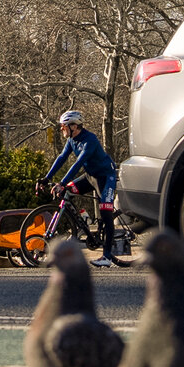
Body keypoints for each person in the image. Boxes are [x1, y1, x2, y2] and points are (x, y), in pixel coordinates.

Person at [40, 108, 120, 267]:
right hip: (91, 176)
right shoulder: (71, 140)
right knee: (67, 191)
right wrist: (46, 178)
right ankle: (84, 220)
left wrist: (61, 182)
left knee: (105, 212)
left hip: (106, 177)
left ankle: (107, 257)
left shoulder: (90, 140)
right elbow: (62, 157)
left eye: (63, 126)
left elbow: (77, 164)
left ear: (74, 126)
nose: (61, 129)